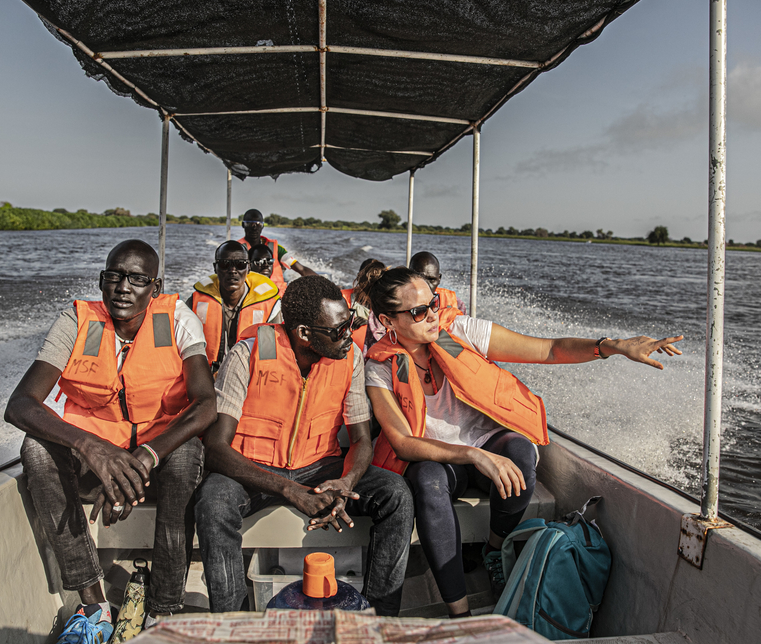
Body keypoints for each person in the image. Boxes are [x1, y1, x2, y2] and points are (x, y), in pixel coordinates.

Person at [363, 267, 682, 618]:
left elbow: (549, 350)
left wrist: (612, 347)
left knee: (520, 451)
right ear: (387, 320)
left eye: (434, 303)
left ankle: (494, 550)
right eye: (419, 312)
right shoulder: (379, 367)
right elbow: (403, 442)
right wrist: (473, 456)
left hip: (487, 442)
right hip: (440, 459)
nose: (433, 315)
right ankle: (461, 614)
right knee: (426, 480)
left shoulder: (459, 331)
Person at [5, 240, 218, 639]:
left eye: (137, 279)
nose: (123, 287)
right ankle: (93, 604)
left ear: (155, 286)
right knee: (35, 449)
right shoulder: (76, 321)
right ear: (102, 281)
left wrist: (142, 459)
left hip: (156, 458)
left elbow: (205, 404)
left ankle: (164, 611)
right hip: (94, 457)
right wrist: (92, 449)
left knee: (189, 454)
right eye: (114, 276)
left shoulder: (177, 318)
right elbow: (20, 404)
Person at [194, 275, 415, 616]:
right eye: (339, 330)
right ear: (304, 334)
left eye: (350, 324)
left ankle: (379, 618)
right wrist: (290, 491)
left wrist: (347, 481)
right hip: (254, 469)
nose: (348, 335)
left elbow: (360, 439)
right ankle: (233, 622)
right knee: (213, 503)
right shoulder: (248, 353)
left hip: (319, 465)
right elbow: (216, 448)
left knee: (396, 493)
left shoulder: (350, 357)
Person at [189, 241, 281, 376]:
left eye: (240, 265)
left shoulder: (269, 306)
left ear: (249, 268)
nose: (232, 271)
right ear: (215, 268)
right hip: (206, 375)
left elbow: (270, 354)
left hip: (249, 375)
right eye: (225, 264)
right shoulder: (195, 302)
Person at [238, 208, 317, 284]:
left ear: (263, 226)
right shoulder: (236, 249)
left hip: (278, 295)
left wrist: (323, 284)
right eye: (250, 224)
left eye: (258, 224)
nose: (254, 227)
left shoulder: (276, 249)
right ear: (243, 225)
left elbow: (301, 269)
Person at [340, 258, 385, 351]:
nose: (369, 283)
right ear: (359, 277)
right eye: (367, 278)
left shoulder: (387, 305)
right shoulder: (343, 298)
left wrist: (369, 323)